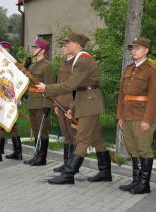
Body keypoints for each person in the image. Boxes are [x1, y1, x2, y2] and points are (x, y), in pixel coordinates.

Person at [35, 31, 112, 185]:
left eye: (68, 42)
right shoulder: (79, 59)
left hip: (89, 103)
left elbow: (71, 85)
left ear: (77, 44)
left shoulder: (83, 60)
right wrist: (73, 106)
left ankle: (69, 174)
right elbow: (80, 89)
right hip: (86, 101)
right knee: (97, 139)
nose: (66, 45)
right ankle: (105, 172)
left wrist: (47, 88)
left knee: (82, 138)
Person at [117, 37, 156, 194]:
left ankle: (144, 184)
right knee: (133, 149)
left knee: (144, 149)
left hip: (142, 116)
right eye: (132, 48)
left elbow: (155, 98)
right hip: (128, 115)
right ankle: (136, 181)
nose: (133, 50)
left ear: (146, 50)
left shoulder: (152, 71)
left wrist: (147, 119)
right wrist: (120, 116)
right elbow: (122, 95)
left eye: (137, 48)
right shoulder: (129, 69)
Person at [23, 37, 55, 166]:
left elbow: (49, 87)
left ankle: (42, 157)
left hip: (42, 102)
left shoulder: (47, 66)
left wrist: (48, 105)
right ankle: (36, 154)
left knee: (43, 131)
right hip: (32, 101)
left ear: (42, 50)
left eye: (36, 48)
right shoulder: (32, 65)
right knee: (35, 130)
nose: (33, 49)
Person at [52, 40, 77, 172]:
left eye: (66, 46)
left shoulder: (76, 63)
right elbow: (58, 84)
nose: (63, 48)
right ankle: (66, 163)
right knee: (66, 134)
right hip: (60, 102)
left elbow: (78, 87)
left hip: (70, 104)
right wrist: (56, 103)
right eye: (62, 46)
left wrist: (73, 107)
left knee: (73, 135)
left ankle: (73, 164)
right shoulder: (63, 62)